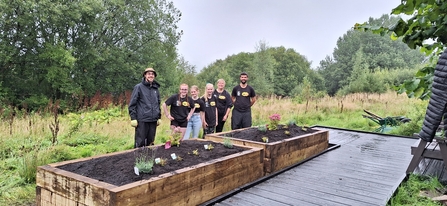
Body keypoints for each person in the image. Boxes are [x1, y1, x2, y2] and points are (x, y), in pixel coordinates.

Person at [128, 68, 161, 148]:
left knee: (150, 142)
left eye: (152, 74)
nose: (151, 75)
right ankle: (138, 160)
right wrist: (133, 118)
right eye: (149, 74)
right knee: (140, 143)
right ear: (145, 75)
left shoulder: (155, 89)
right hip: (142, 120)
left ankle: (149, 159)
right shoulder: (139, 87)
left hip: (153, 120)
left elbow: (158, 103)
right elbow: (132, 103)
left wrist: (159, 117)